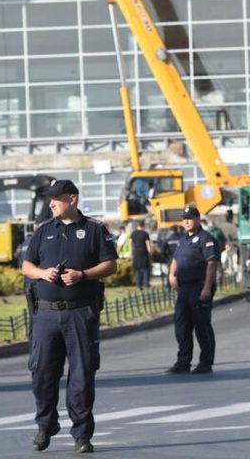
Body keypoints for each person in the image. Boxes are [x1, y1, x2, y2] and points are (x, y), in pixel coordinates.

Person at [21, 179, 117, 453]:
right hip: (45, 315)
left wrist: (82, 275)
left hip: (80, 313)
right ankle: (46, 424)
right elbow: (26, 265)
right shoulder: (43, 231)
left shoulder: (95, 229)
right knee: (41, 372)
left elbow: (110, 264)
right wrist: (43, 273)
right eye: (49, 199)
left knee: (82, 376)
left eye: (56, 199)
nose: (51, 204)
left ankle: (82, 435)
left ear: (72, 199)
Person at [165, 206, 220, 375]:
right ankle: (183, 362)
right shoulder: (183, 240)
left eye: (190, 218)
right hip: (184, 288)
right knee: (182, 326)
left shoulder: (206, 238)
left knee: (201, 326)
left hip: (200, 286)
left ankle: (205, 362)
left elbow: (212, 263)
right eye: (184, 219)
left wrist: (207, 288)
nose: (187, 221)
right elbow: (176, 259)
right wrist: (172, 275)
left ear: (197, 219)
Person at [131, 221, 152, 291]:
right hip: (144, 253)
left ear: (137, 226)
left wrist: (131, 253)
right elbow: (147, 244)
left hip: (136, 253)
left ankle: (138, 286)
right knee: (146, 269)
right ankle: (146, 285)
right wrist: (150, 253)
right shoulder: (145, 233)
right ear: (143, 226)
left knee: (138, 269)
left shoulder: (133, 233)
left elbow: (130, 243)